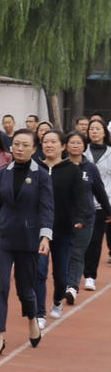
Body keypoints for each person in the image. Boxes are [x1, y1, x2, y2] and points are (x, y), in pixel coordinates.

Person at [0, 129, 53, 354]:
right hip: (3, 238)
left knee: (25, 289)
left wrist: (45, 236)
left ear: (34, 149)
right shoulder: (2, 174)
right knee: (0, 286)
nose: (20, 148)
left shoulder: (42, 175)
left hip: (28, 239)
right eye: (16, 144)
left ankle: (32, 318)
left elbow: (47, 208)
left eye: (25, 145)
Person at [33, 130, 84, 324]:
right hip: (38, 229)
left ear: (63, 146)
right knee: (39, 271)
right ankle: (39, 313)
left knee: (61, 275)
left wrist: (79, 218)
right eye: (45, 141)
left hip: (63, 230)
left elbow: (79, 198)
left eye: (53, 142)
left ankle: (57, 301)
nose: (49, 145)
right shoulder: (35, 167)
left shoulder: (72, 170)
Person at [63, 130, 111, 303]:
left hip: (86, 217)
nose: (75, 146)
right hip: (63, 218)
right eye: (72, 142)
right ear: (66, 146)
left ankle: (72, 287)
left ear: (84, 146)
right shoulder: (60, 166)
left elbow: (99, 191)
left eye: (79, 143)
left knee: (77, 252)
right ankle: (64, 281)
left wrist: (108, 211)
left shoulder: (90, 168)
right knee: (64, 252)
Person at [82, 118, 111, 284]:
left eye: (97, 129)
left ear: (104, 132)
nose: (94, 131)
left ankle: (90, 276)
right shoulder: (81, 151)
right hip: (81, 203)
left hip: (103, 203)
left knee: (95, 240)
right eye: (91, 129)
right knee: (78, 241)